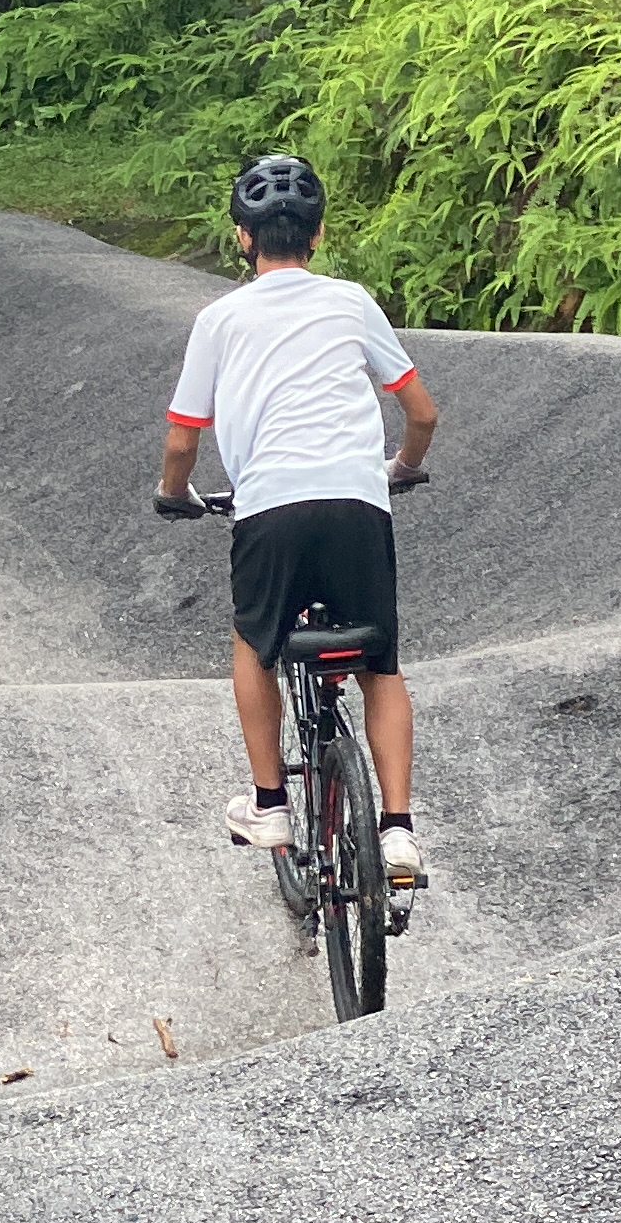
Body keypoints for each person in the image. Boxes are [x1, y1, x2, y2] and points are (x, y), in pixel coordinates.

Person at [154, 153, 441, 886]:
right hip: (356, 502)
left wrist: (175, 494)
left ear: (241, 239)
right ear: (316, 238)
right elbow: (421, 412)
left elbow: (183, 435)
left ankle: (271, 804)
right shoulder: (350, 301)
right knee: (382, 664)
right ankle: (400, 831)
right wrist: (400, 467)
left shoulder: (219, 319)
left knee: (254, 643)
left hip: (270, 508)